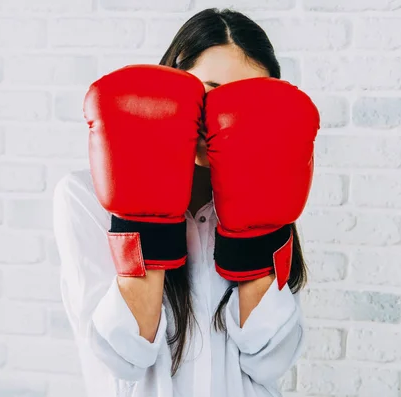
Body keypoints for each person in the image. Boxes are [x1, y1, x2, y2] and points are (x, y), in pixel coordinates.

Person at [52, 8, 320, 397]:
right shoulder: (85, 198)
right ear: (173, 91)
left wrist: (255, 232)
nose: (223, 119)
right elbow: (121, 358)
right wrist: (143, 215)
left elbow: (270, 361)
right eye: (210, 94)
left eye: (243, 104)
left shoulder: (271, 195)